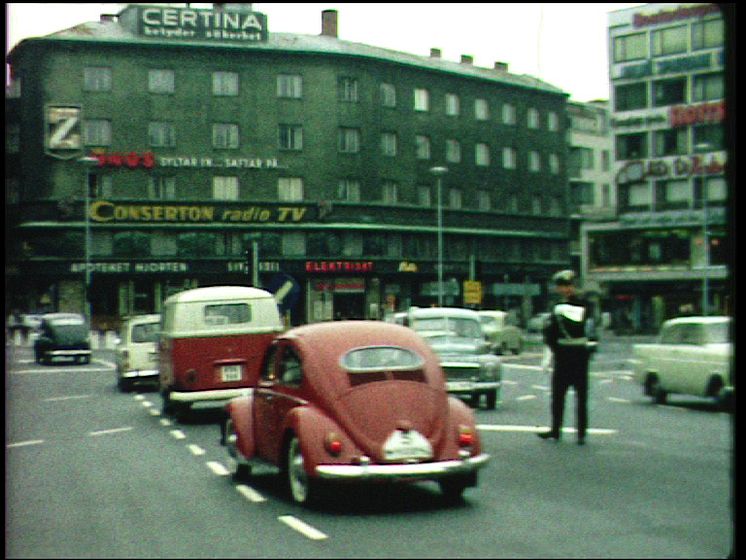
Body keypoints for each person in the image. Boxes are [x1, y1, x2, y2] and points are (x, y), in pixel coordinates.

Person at [537, 270, 597, 445]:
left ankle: (581, 433)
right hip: (563, 355)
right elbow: (550, 331)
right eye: (562, 286)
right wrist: (555, 348)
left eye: (568, 286)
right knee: (558, 395)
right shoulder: (557, 306)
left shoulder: (583, 305)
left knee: (581, 396)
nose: (566, 289)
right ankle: (556, 429)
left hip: (578, 355)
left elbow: (589, 329)